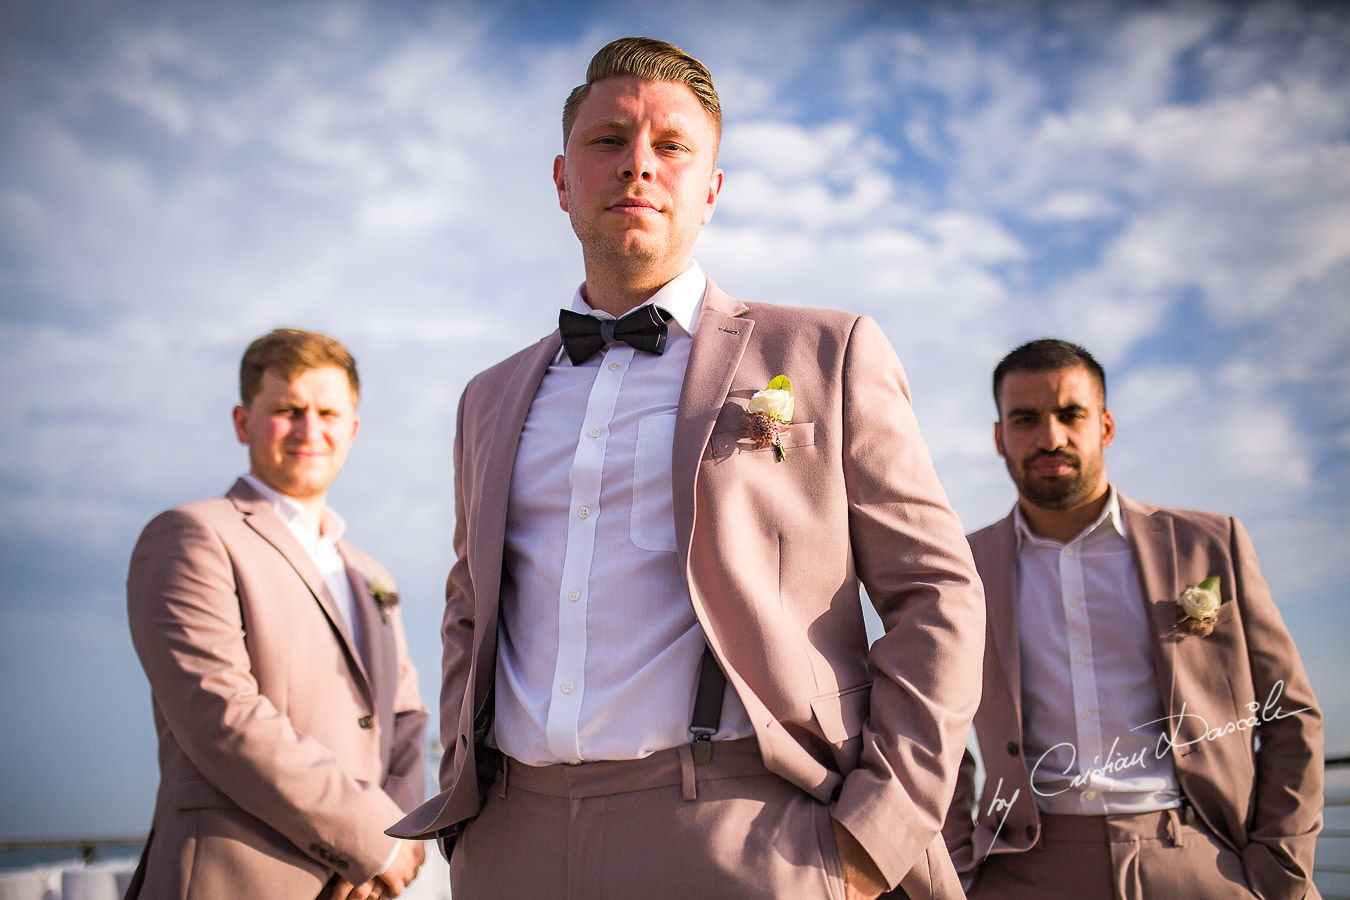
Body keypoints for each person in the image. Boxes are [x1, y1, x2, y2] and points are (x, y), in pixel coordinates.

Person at [389, 36, 984, 900]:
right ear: (562, 180)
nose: (639, 165)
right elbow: (469, 609)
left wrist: (872, 838)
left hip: (750, 832)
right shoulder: (487, 397)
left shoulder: (827, 352)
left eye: (671, 146)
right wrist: (469, 817)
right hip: (513, 844)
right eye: (608, 141)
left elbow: (939, 595)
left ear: (710, 189)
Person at [943, 338, 1324, 899]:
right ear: (999, 438)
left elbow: (1290, 715)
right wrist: (956, 871)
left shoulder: (1209, 545)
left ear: (1106, 426)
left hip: (1201, 857)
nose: (1051, 437)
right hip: (1022, 867)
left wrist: (1279, 870)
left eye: (1071, 414)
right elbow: (929, 727)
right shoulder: (962, 568)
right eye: (1025, 419)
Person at [125, 328, 428, 900]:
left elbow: (407, 719)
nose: (309, 430)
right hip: (235, 879)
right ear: (243, 422)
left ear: (353, 429)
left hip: (363, 886)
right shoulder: (191, 536)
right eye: (287, 410)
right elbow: (221, 714)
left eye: (327, 412)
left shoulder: (371, 573)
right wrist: (372, 841)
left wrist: (396, 839)